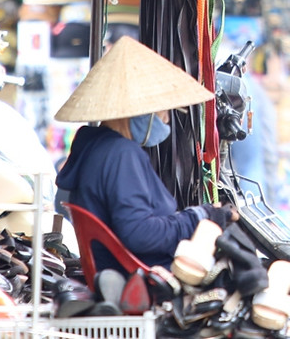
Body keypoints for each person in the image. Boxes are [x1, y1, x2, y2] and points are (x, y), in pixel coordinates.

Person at [55, 36, 235, 273]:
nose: (167, 119)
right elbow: (139, 234)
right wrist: (199, 217)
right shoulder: (122, 154)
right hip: (140, 275)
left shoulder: (94, 145)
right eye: (163, 110)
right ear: (139, 109)